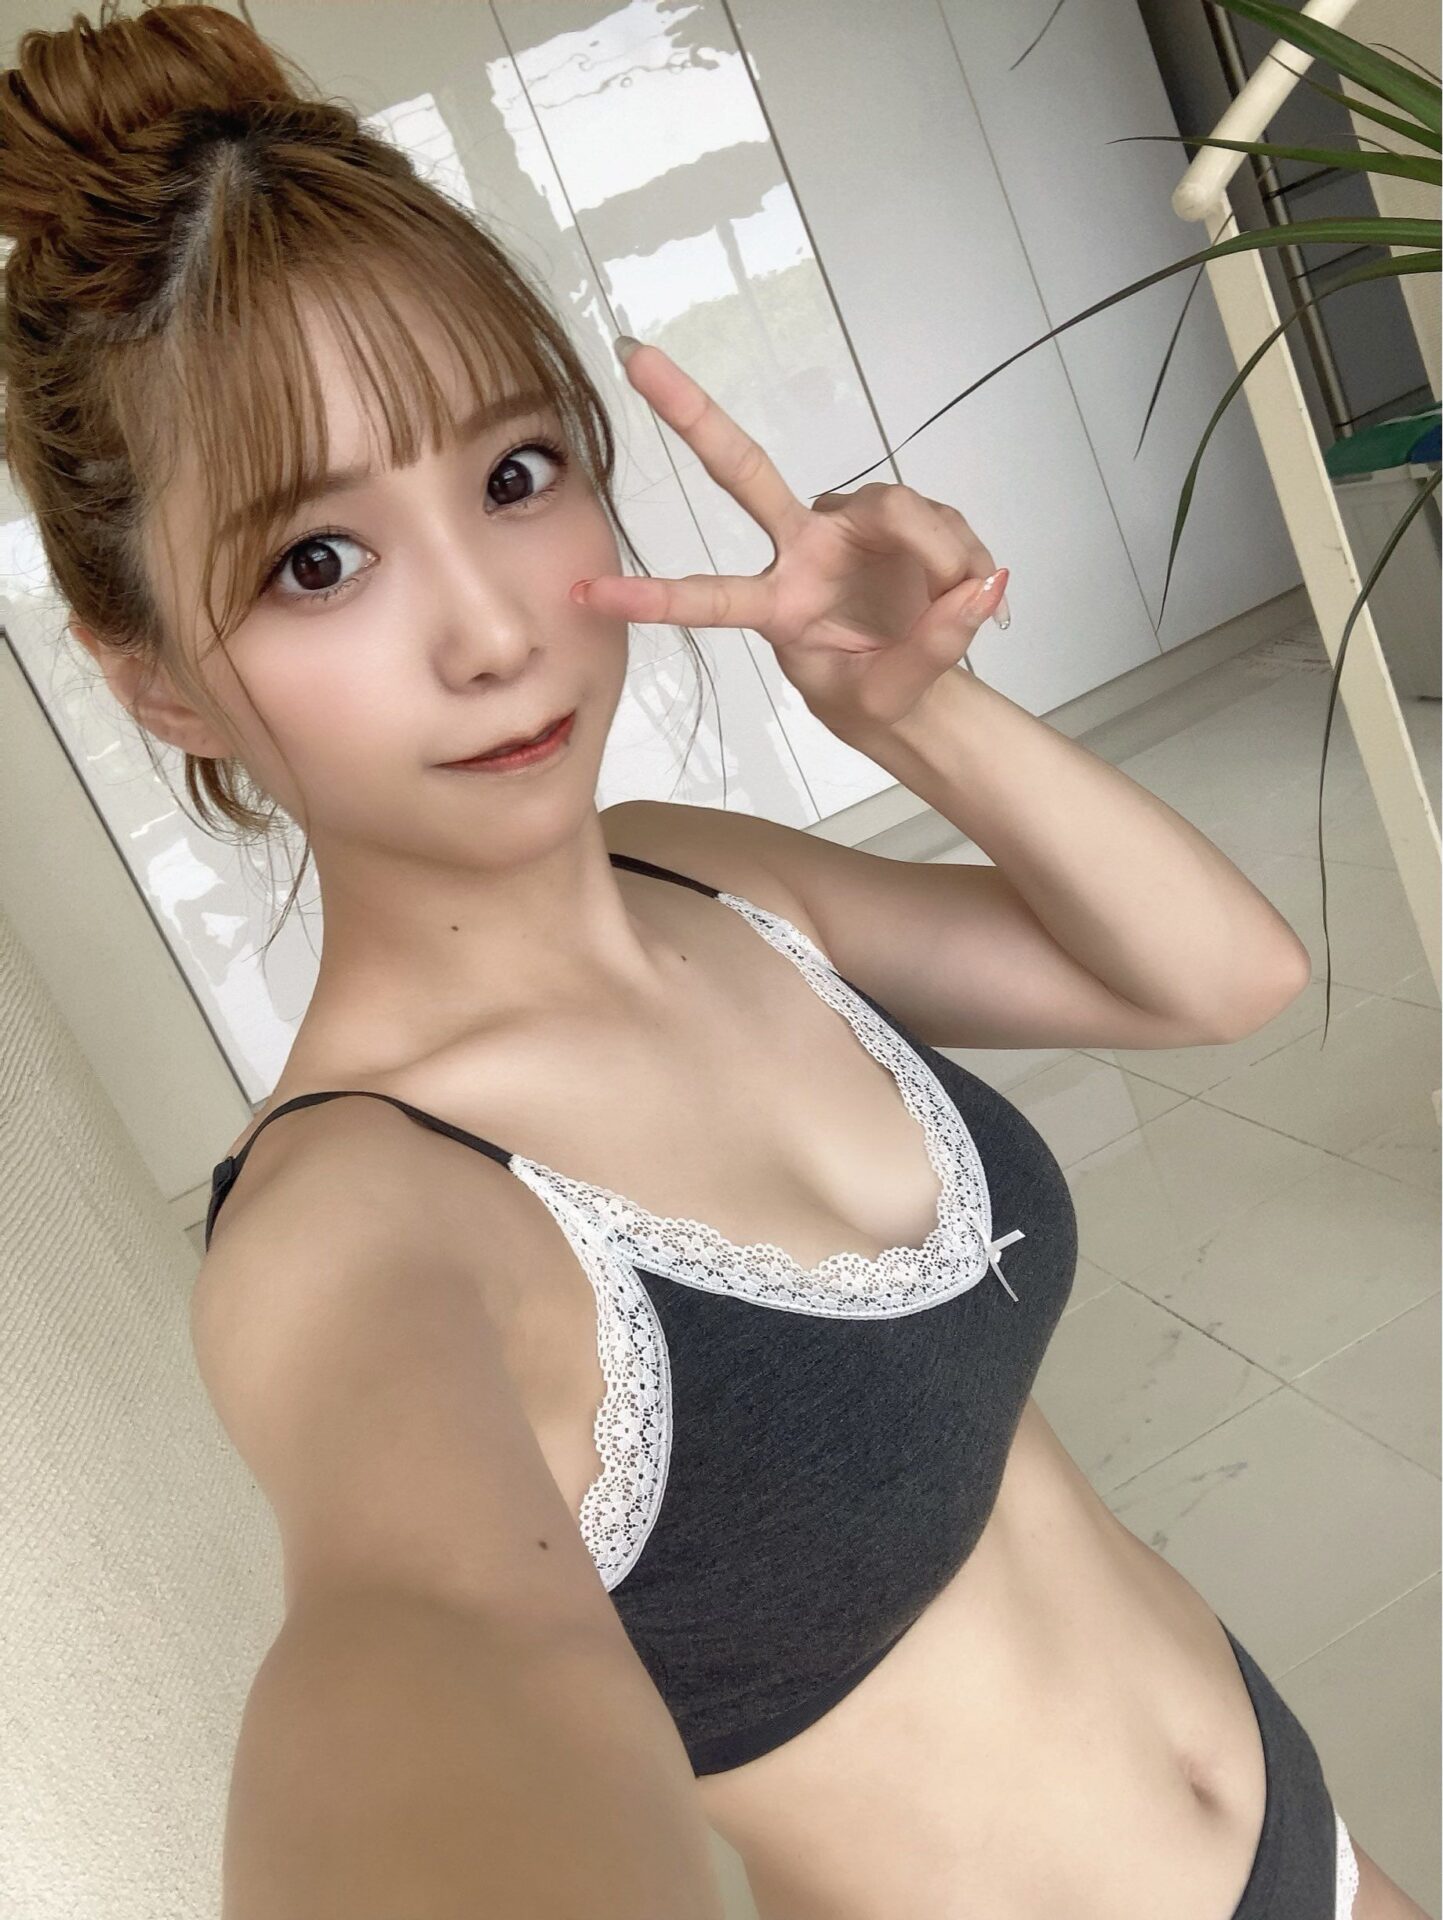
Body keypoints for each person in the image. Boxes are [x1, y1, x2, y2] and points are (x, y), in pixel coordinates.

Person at [2, 5, 1423, 1918]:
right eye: (316, 562)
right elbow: (427, 1660)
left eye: (515, 475)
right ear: (159, 677)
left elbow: (1219, 977)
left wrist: (912, 709)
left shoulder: (698, 874)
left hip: (1304, 1839)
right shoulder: (355, 1231)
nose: (494, 634)